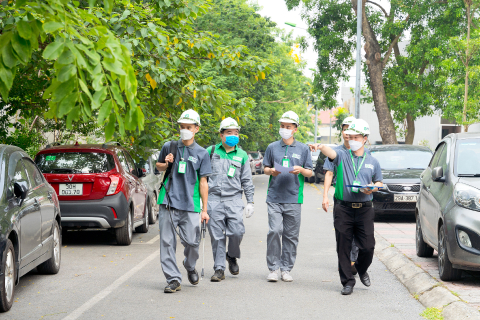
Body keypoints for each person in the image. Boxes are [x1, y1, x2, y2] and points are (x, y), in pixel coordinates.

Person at [313, 118, 383, 295]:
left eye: (356, 137)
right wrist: (321, 147)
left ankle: (361, 267)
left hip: (365, 208)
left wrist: (373, 188)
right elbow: (331, 153)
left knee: (368, 246)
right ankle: (347, 281)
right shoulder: (343, 155)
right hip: (343, 208)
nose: (352, 140)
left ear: (365, 138)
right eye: (350, 136)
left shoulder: (373, 160)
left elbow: (379, 182)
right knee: (343, 245)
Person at [156, 109, 212, 293]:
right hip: (169, 201)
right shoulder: (170, 146)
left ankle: (189, 265)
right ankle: (173, 279)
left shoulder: (202, 153)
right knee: (166, 242)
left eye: (188, 127)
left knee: (192, 243)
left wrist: (204, 209)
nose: (184, 130)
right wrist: (166, 162)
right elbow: (159, 167)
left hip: (191, 204)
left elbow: (203, 182)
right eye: (182, 127)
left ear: (196, 129)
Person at [263, 111, 313, 282]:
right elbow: (265, 169)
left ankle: (286, 269)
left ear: (295, 129)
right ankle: (273, 268)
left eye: (288, 127)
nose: (284, 129)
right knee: (275, 231)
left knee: (291, 235)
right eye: (282, 126)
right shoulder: (272, 147)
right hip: (274, 197)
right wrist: (272, 171)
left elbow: (310, 172)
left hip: (293, 198)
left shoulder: (303, 148)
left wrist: (301, 170)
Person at [206, 117, 255, 282]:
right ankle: (219, 269)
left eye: (235, 132)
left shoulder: (242, 155)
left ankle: (231, 256)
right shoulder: (211, 151)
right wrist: (199, 200)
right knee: (217, 236)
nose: (233, 135)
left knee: (237, 232)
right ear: (221, 135)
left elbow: (247, 180)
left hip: (234, 199)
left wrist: (250, 202)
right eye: (229, 132)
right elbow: (201, 177)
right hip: (213, 199)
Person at [321, 116, 370, 276]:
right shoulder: (337, 152)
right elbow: (329, 173)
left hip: (361, 201)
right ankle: (345, 261)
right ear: (342, 132)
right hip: (342, 199)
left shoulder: (366, 153)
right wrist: (325, 196)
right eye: (345, 129)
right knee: (342, 233)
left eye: (353, 131)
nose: (349, 134)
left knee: (358, 236)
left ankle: (352, 261)